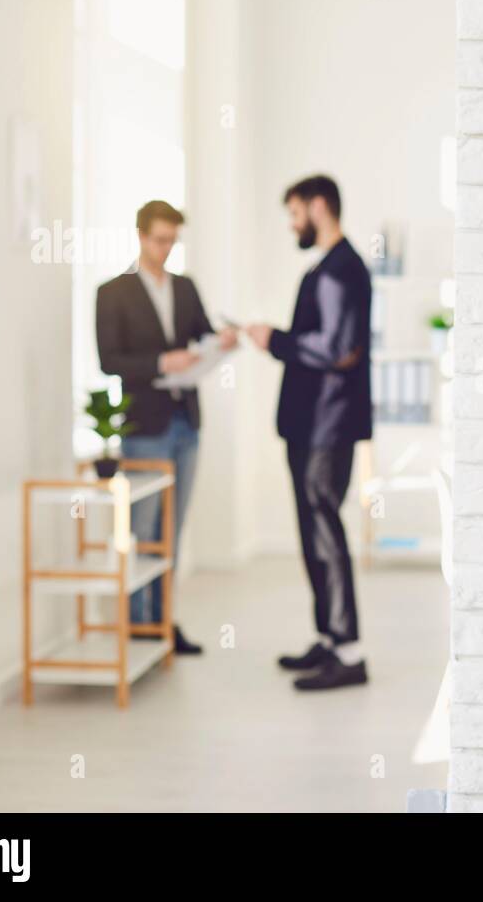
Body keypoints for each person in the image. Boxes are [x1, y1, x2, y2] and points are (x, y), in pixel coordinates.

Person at [246, 175, 373, 691]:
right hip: (309, 423)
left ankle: (348, 651)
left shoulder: (342, 270)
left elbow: (338, 350)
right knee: (313, 534)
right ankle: (328, 639)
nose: (292, 224)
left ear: (318, 206)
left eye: (295, 212)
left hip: (327, 425)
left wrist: (272, 339)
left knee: (325, 534)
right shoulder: (327, 268)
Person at [95, 199, 237, 656]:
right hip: (145, 425)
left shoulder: (186, 287)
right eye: (159, 239)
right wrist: (160, 361)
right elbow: (108, 360)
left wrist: (221, 342)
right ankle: (136, 623)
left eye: (173, 240)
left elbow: (201, 336)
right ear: (140, 235)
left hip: (185, 423)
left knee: (173, 528)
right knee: (142, 526)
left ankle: (163, 622)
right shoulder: (112, 292)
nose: (166, 248)